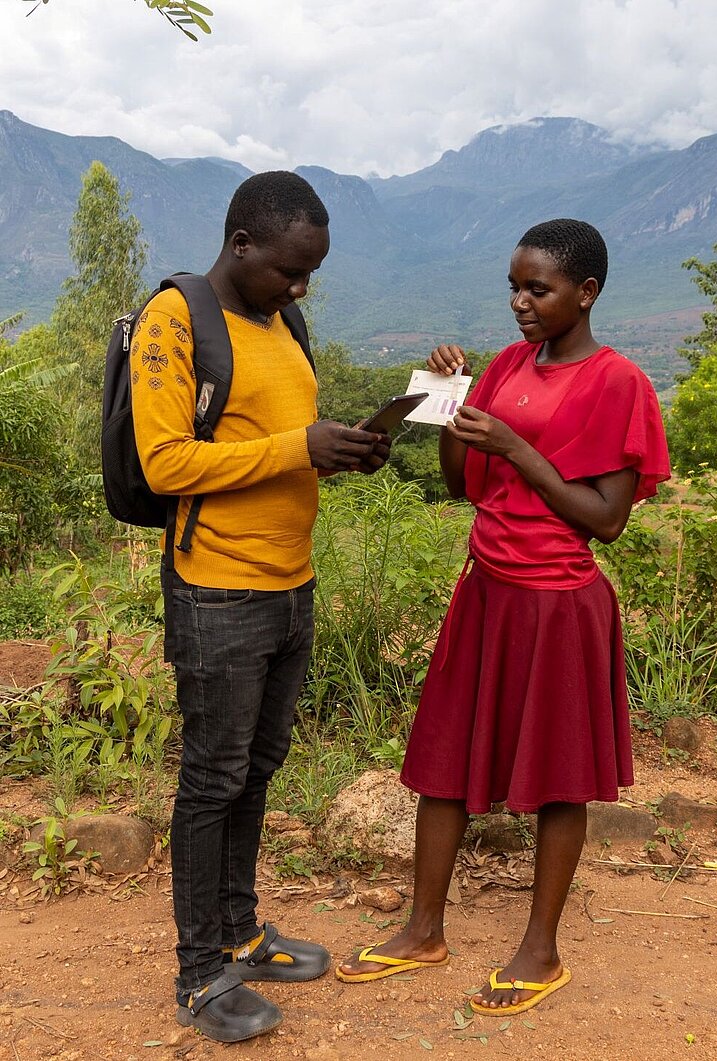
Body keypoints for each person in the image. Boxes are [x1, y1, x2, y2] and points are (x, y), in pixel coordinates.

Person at [336, 218, 670, 1016]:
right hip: (486, 589)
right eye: (513, 287)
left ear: (585, 293)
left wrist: (520, 448)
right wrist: (451, 400)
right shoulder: (512, 366)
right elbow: (463, 484)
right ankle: (423, 928)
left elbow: (606, 518)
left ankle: (540, 949)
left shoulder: (618, 383)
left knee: (560, 777)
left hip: (558, 604)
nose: (520, 303)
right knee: (443, 758)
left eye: (538, 289)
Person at [130, 171, 390, 1043]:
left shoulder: (285, 322)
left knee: (256, 768)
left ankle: (239, 930)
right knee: (211, 779)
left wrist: (340, 453)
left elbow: (271, 449)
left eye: (310, 273)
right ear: (242, 245)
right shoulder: (175, 320)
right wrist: (298, 446)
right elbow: (166, 463)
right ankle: (200, 973)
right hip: (217, 589)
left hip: (289, 584)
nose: (299, 288)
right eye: (288, 270)